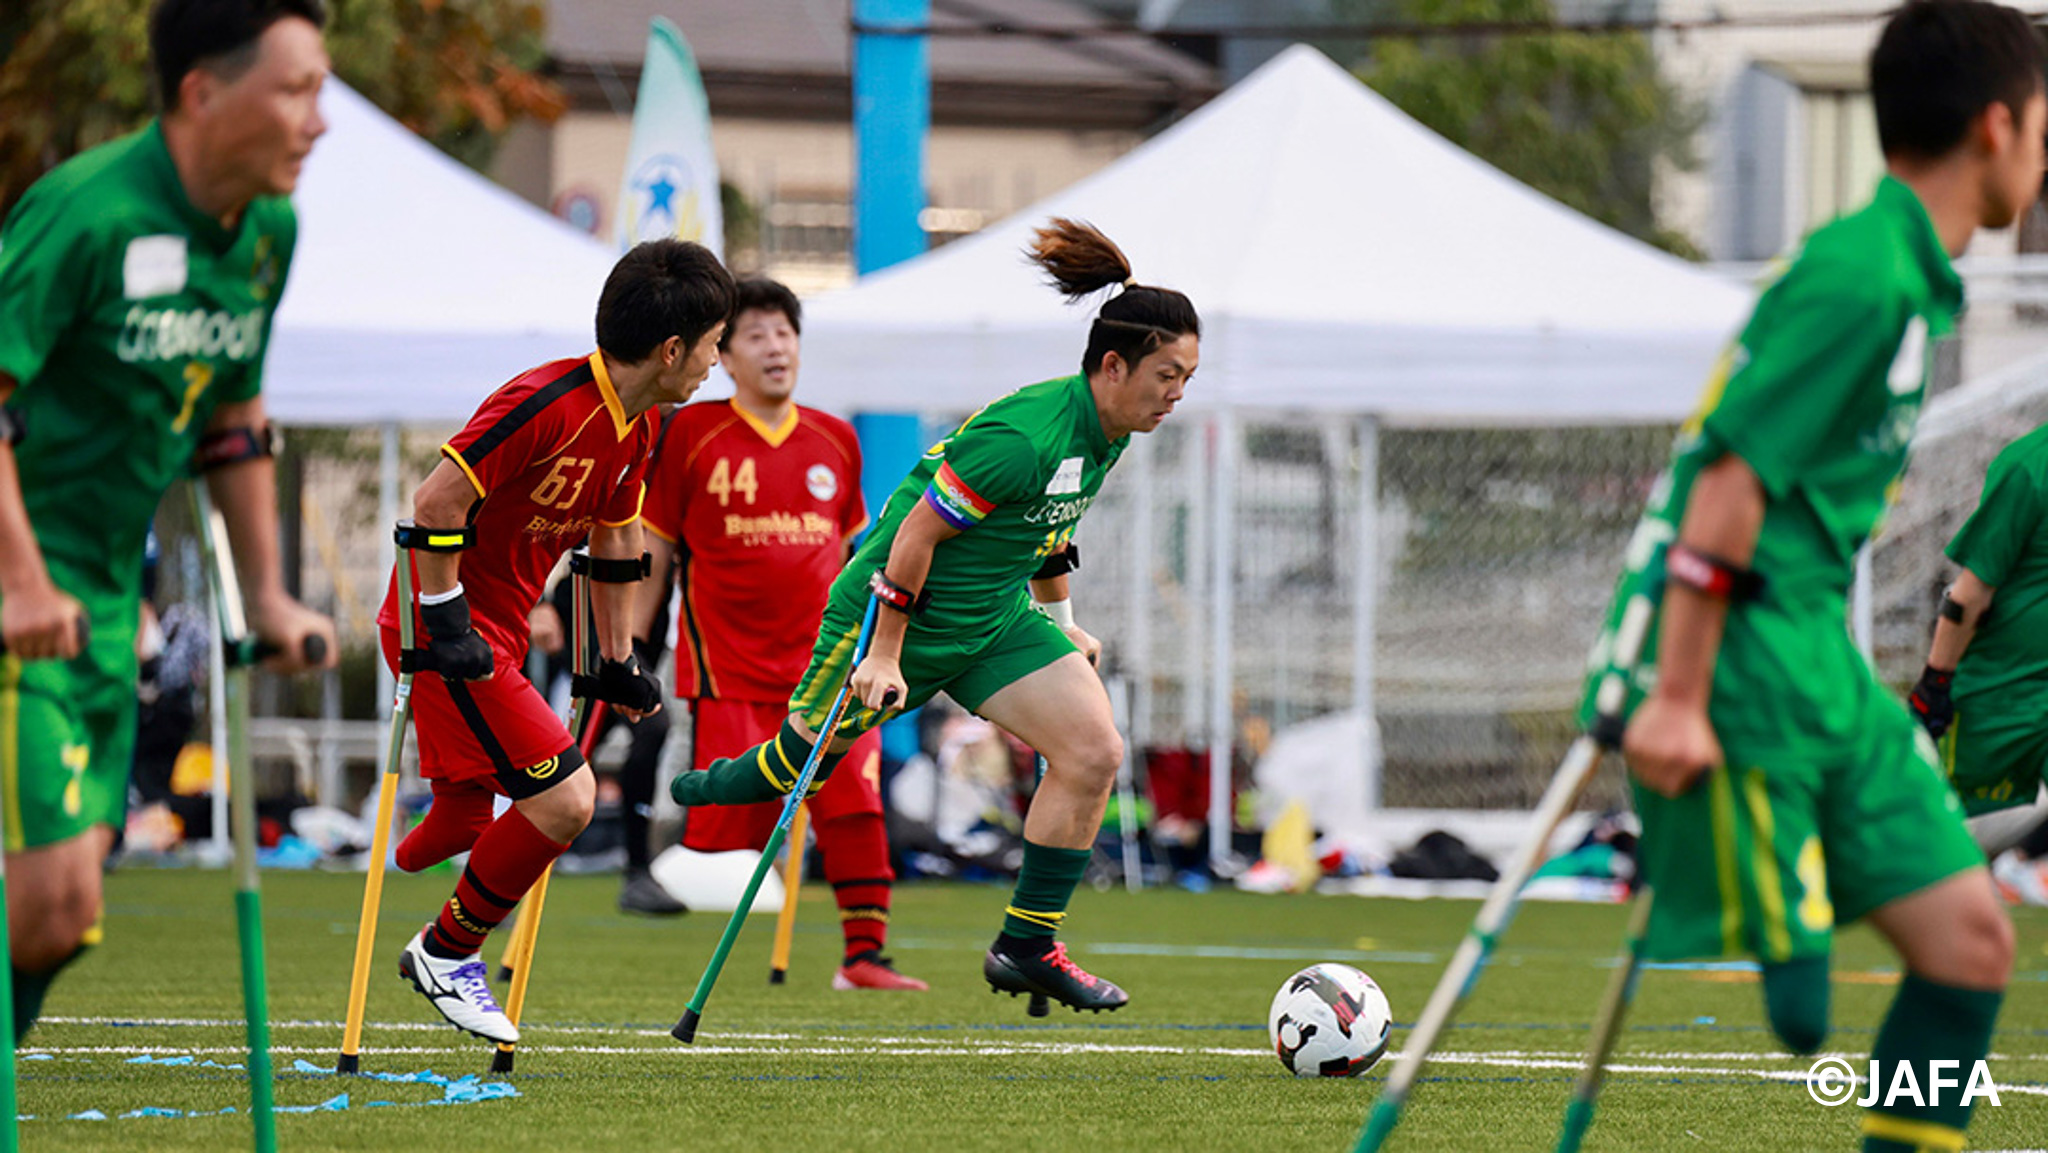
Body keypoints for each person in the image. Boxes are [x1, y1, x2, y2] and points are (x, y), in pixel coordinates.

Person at [1584, 4, 2044, 1149]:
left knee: (1969, 945)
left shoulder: (1908, 270)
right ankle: (1766, 880)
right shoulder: (1861, 277)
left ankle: (1788, 884)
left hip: (1814, 652)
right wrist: (1676, 696)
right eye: (2042, 125)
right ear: (1995, 126)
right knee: (1796, 1014)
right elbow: (1724, 487)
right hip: (1741, 648)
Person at [675, 220, 1200, 1012]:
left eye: (1187, 377)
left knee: (1093, 751)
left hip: (991, 622)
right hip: (892, 619)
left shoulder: (1112, 428)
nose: (1177, 394)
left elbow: (1048, 529)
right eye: (1167, 373)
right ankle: (715, 782)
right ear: (1113, 365)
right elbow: (915, 535)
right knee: (798, 766)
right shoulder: (1022, 436)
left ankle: (1026, 945)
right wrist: (884, 654)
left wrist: (1062, 626)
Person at [0, 0, 339, 1043]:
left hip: (99, 595)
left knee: (63, 912)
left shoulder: (267, 235)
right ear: (203, 92)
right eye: (294, 90)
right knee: (50, 893)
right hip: (19, 578)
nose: (317, 121)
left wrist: (270, 592)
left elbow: (234, 418)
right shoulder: (86, 213)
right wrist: (17, 581)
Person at [376, 239, 732, 1044]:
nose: (718, 361)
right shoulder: (545, 401)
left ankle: (456, 817)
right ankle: (445, 951)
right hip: (443, 624)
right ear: (673, 349)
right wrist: (446, 616)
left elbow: (613, 541)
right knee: (566, 799)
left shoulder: (642, 425)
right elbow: (434, 503)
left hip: (492, 627)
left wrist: (616, 658)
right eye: (714, 344)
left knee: (478, 812)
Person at [638, 277, 925, 989]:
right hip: (728, 667)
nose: (776, 347)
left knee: (855, 804)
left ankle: (864, 955)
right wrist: (632, 650)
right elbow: (655, 549)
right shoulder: (690, 434)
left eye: (785, 333)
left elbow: (862, 551)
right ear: (724, 355)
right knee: (724, 830)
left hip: (832, 669)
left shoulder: (836, 437)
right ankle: (697, 956)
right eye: (756, 335)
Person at [1906, 425, 2048, 889]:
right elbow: (1971, 593)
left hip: (2018, 692)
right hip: (2002, 693)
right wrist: (1935, 684)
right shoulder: (2029, 465)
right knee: (1933, 851)